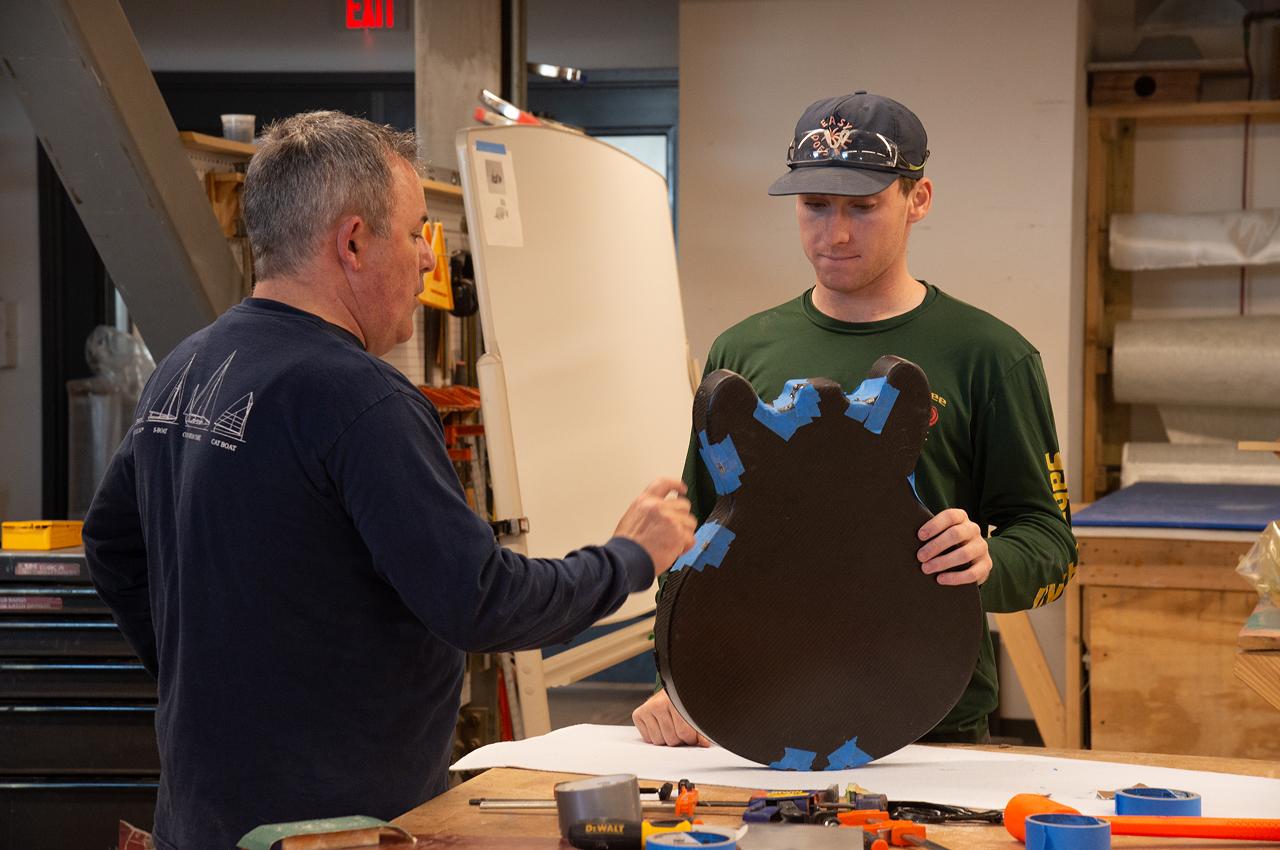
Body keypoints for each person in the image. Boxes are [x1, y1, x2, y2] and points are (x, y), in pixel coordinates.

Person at [82, 111, 696, 850]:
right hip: (329, 831)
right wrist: (627, 558)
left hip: (198, 819)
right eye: (415, 234)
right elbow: (481, 601)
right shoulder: (358, 397)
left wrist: (200, 676)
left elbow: (109, 545)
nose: (430, 261)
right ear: (352, 242)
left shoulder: (186, 367)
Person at [632, 91, 1076, 749]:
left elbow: (1053, 547)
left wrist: (989, 560)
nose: (834, 234)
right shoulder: (742, 352)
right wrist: (676, 671)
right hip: (755, 712)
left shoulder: (991, 356)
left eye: (863, 208)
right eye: (815, 207)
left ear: (917, 199)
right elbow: (697, 538)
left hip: (929, 722)